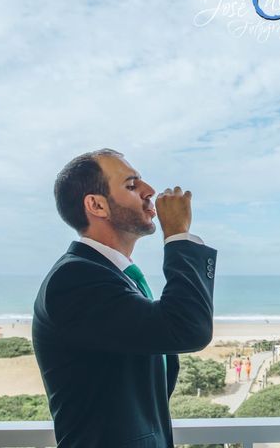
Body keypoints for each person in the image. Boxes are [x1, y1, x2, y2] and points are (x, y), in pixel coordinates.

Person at [32, 149, 217, 448]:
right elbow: (186, 329)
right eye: (132, 185)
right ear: (96, 205)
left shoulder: (113, 276)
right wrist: (178, 237)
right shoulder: (74, 279)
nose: (150, 191)